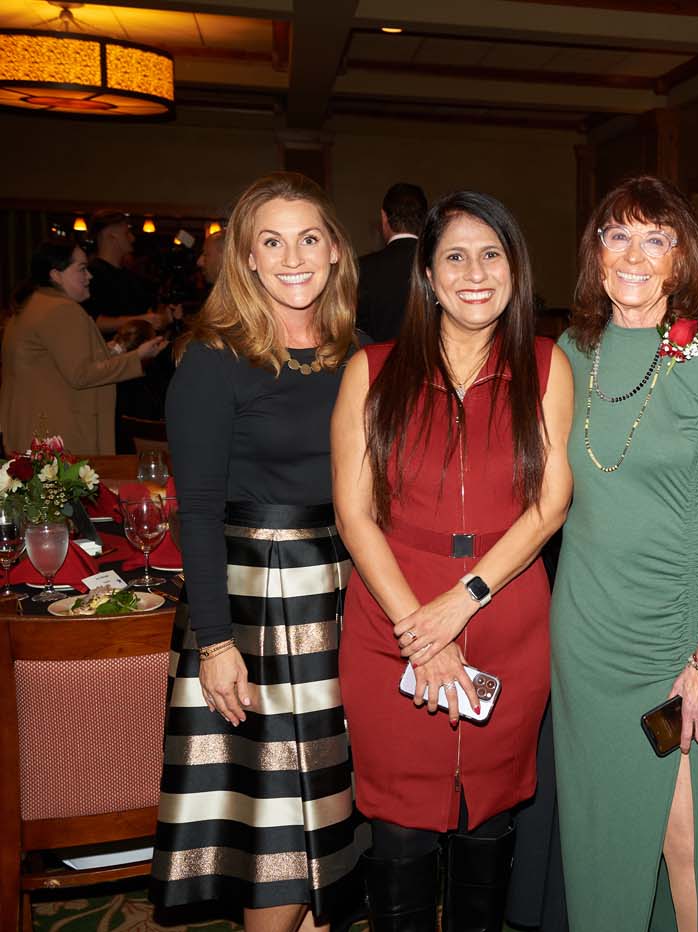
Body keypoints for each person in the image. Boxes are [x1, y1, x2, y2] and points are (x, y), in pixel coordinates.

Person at [332, 191, 573, 930]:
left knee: (489, 816)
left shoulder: (547, 365)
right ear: (429, 277)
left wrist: (464, 600)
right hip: (391, 621)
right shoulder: (372, 370)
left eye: (491, 255)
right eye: (456, 257)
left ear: (515, 269)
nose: (475, 273)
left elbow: (551, 503)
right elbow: (354, 515)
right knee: (400, 827)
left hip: (506, 616)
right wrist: (420, 629)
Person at [151, 172, 369, 932]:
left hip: (343, 596)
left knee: (330, 817)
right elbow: (197, 512)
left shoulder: (357, 354)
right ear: (245, 258)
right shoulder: (213, 360)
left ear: (336, 250)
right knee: (276, 825)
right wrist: (215, 644)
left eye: (309, 238)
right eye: (271, 242)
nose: (293, 258)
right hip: (254, 607)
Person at [550, 175, 698, 931]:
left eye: (655, 239)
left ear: (682, 258)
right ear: (596, 251)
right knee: (599, 833)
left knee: (684, 836)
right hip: (585, 634)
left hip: (676, 637)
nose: (634, 256)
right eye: (618, 236)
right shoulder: (569, 353)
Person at [0, 238, 164, 455]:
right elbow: (81, 373)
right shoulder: (61, 310)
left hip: (31, 430)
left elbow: (58, 363)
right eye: (82, 269)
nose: (90, 276)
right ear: (56, 275)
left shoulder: (34, 304)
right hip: (56, 436)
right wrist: (138, 357)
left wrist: (116, 350)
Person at [358, 182, 428, 343]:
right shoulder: (438, 265)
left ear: (384, 217)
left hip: (375, 357)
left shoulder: (361, 268)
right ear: (425, 219)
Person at [82, 210, 169, 335]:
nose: (132, 238)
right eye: (127, 233)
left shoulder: (130, 276)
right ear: (111, 235)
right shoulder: (91, 274)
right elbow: (91, 321)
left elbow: (147, 311)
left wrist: (161, 318)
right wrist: (140, 320)